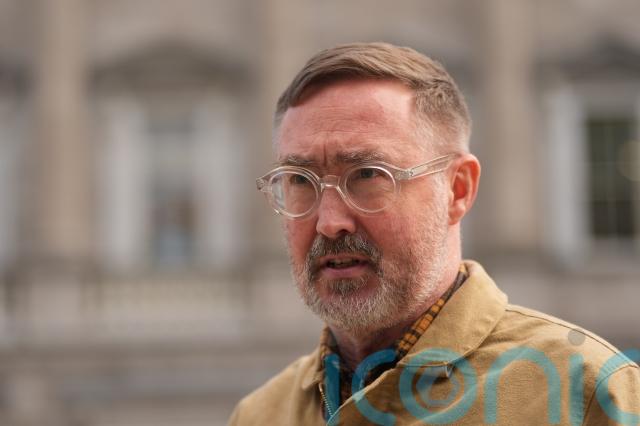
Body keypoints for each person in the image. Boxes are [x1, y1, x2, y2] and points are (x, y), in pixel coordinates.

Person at [229, 42, 640, 425]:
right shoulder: (260, 414)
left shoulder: (588, 393)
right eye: (300, 180)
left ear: (458, 189)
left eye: (368, 175)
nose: (329, 222)